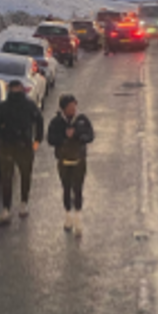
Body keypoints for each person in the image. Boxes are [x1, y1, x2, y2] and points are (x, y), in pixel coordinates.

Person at [0, 80, 44, 225]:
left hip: (23, 146)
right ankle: (7, 207)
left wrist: (37, 140)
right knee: (7, 178)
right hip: (9, 146)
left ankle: (22, 203)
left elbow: (39, 120)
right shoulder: (4, 107)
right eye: (14, 88)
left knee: (24, 175)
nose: (16, 91)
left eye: (17, 88)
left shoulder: (27, 105)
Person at [46, 94, 94, 236]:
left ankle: (78, 220)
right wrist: (63, 137)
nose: (73, 109)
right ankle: (68, 217)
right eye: (69, 107)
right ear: (63, 108)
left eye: (74, 106)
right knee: (66, 188)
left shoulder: (82, 120)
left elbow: (90, 136)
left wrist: (78, 135)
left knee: (78, 189)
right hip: (63, 161)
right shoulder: (56, 122)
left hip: (79, 160)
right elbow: (50, 139)